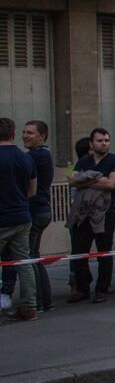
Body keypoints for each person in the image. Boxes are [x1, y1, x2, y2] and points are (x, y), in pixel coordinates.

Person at [2, 121, 54, 312]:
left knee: (28, 259)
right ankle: (40, 302)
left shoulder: (35, 156)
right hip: (36, 210)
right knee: (31, 258)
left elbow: (30, 190)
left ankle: (37, 302)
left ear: (42, 135)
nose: (25, 136)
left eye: (30, 133)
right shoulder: (34, 156)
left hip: (33, 210)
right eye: (23, 132)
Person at [68, 127, 115, 303]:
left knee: (104, 252)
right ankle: (83, 288)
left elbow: (111, 184)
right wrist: (97, 179)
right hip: (83, 213)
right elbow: (73, 180)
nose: (104, 143)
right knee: (79, 252)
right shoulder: (84, 161)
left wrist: (86, 180)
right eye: (100, 140)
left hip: (105, 213)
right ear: (92, 143)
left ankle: (102, 288)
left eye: (107, 140)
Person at [0, 117, 37, 322]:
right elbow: (32, 190)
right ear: (13, 134)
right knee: (24, 262)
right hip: (22, 216)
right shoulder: (25, 158)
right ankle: (29, 306)